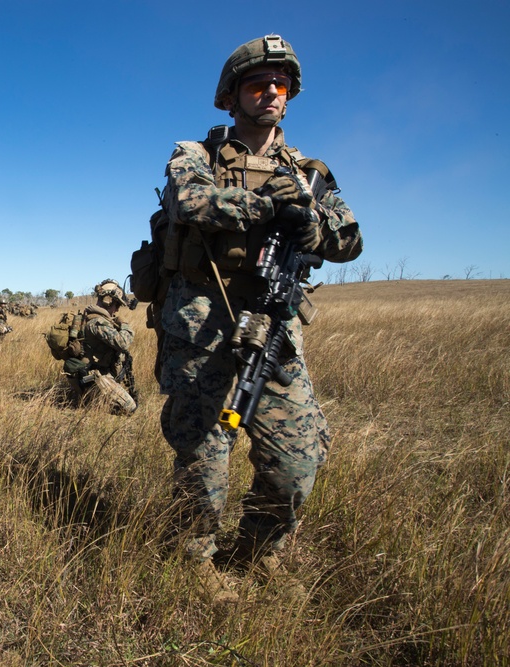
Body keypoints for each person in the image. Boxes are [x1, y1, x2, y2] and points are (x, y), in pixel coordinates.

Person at [154, 35, 363, 602]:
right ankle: (195, 557)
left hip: (274, 327)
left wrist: (311, 225)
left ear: (290, 95)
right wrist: (269, 205)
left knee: (297, 458)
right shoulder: (195, 154)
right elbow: (189, 203)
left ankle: (257, 553)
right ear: (232, 96)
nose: (270, 92)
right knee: (203, 449)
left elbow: (351, 240)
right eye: (256, 84)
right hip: (201, 324)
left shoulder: (310, 172)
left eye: (280, 84)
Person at [62, 280, 138, 415]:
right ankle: (93, 402)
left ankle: (91, 398)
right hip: (94, 376)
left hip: (91, 373)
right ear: (108, 301)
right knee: (129, 408)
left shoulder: (92, 317)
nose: (117, 310)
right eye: (117, 305)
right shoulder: (97, 322)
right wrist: (125, 324)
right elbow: (123, 342)